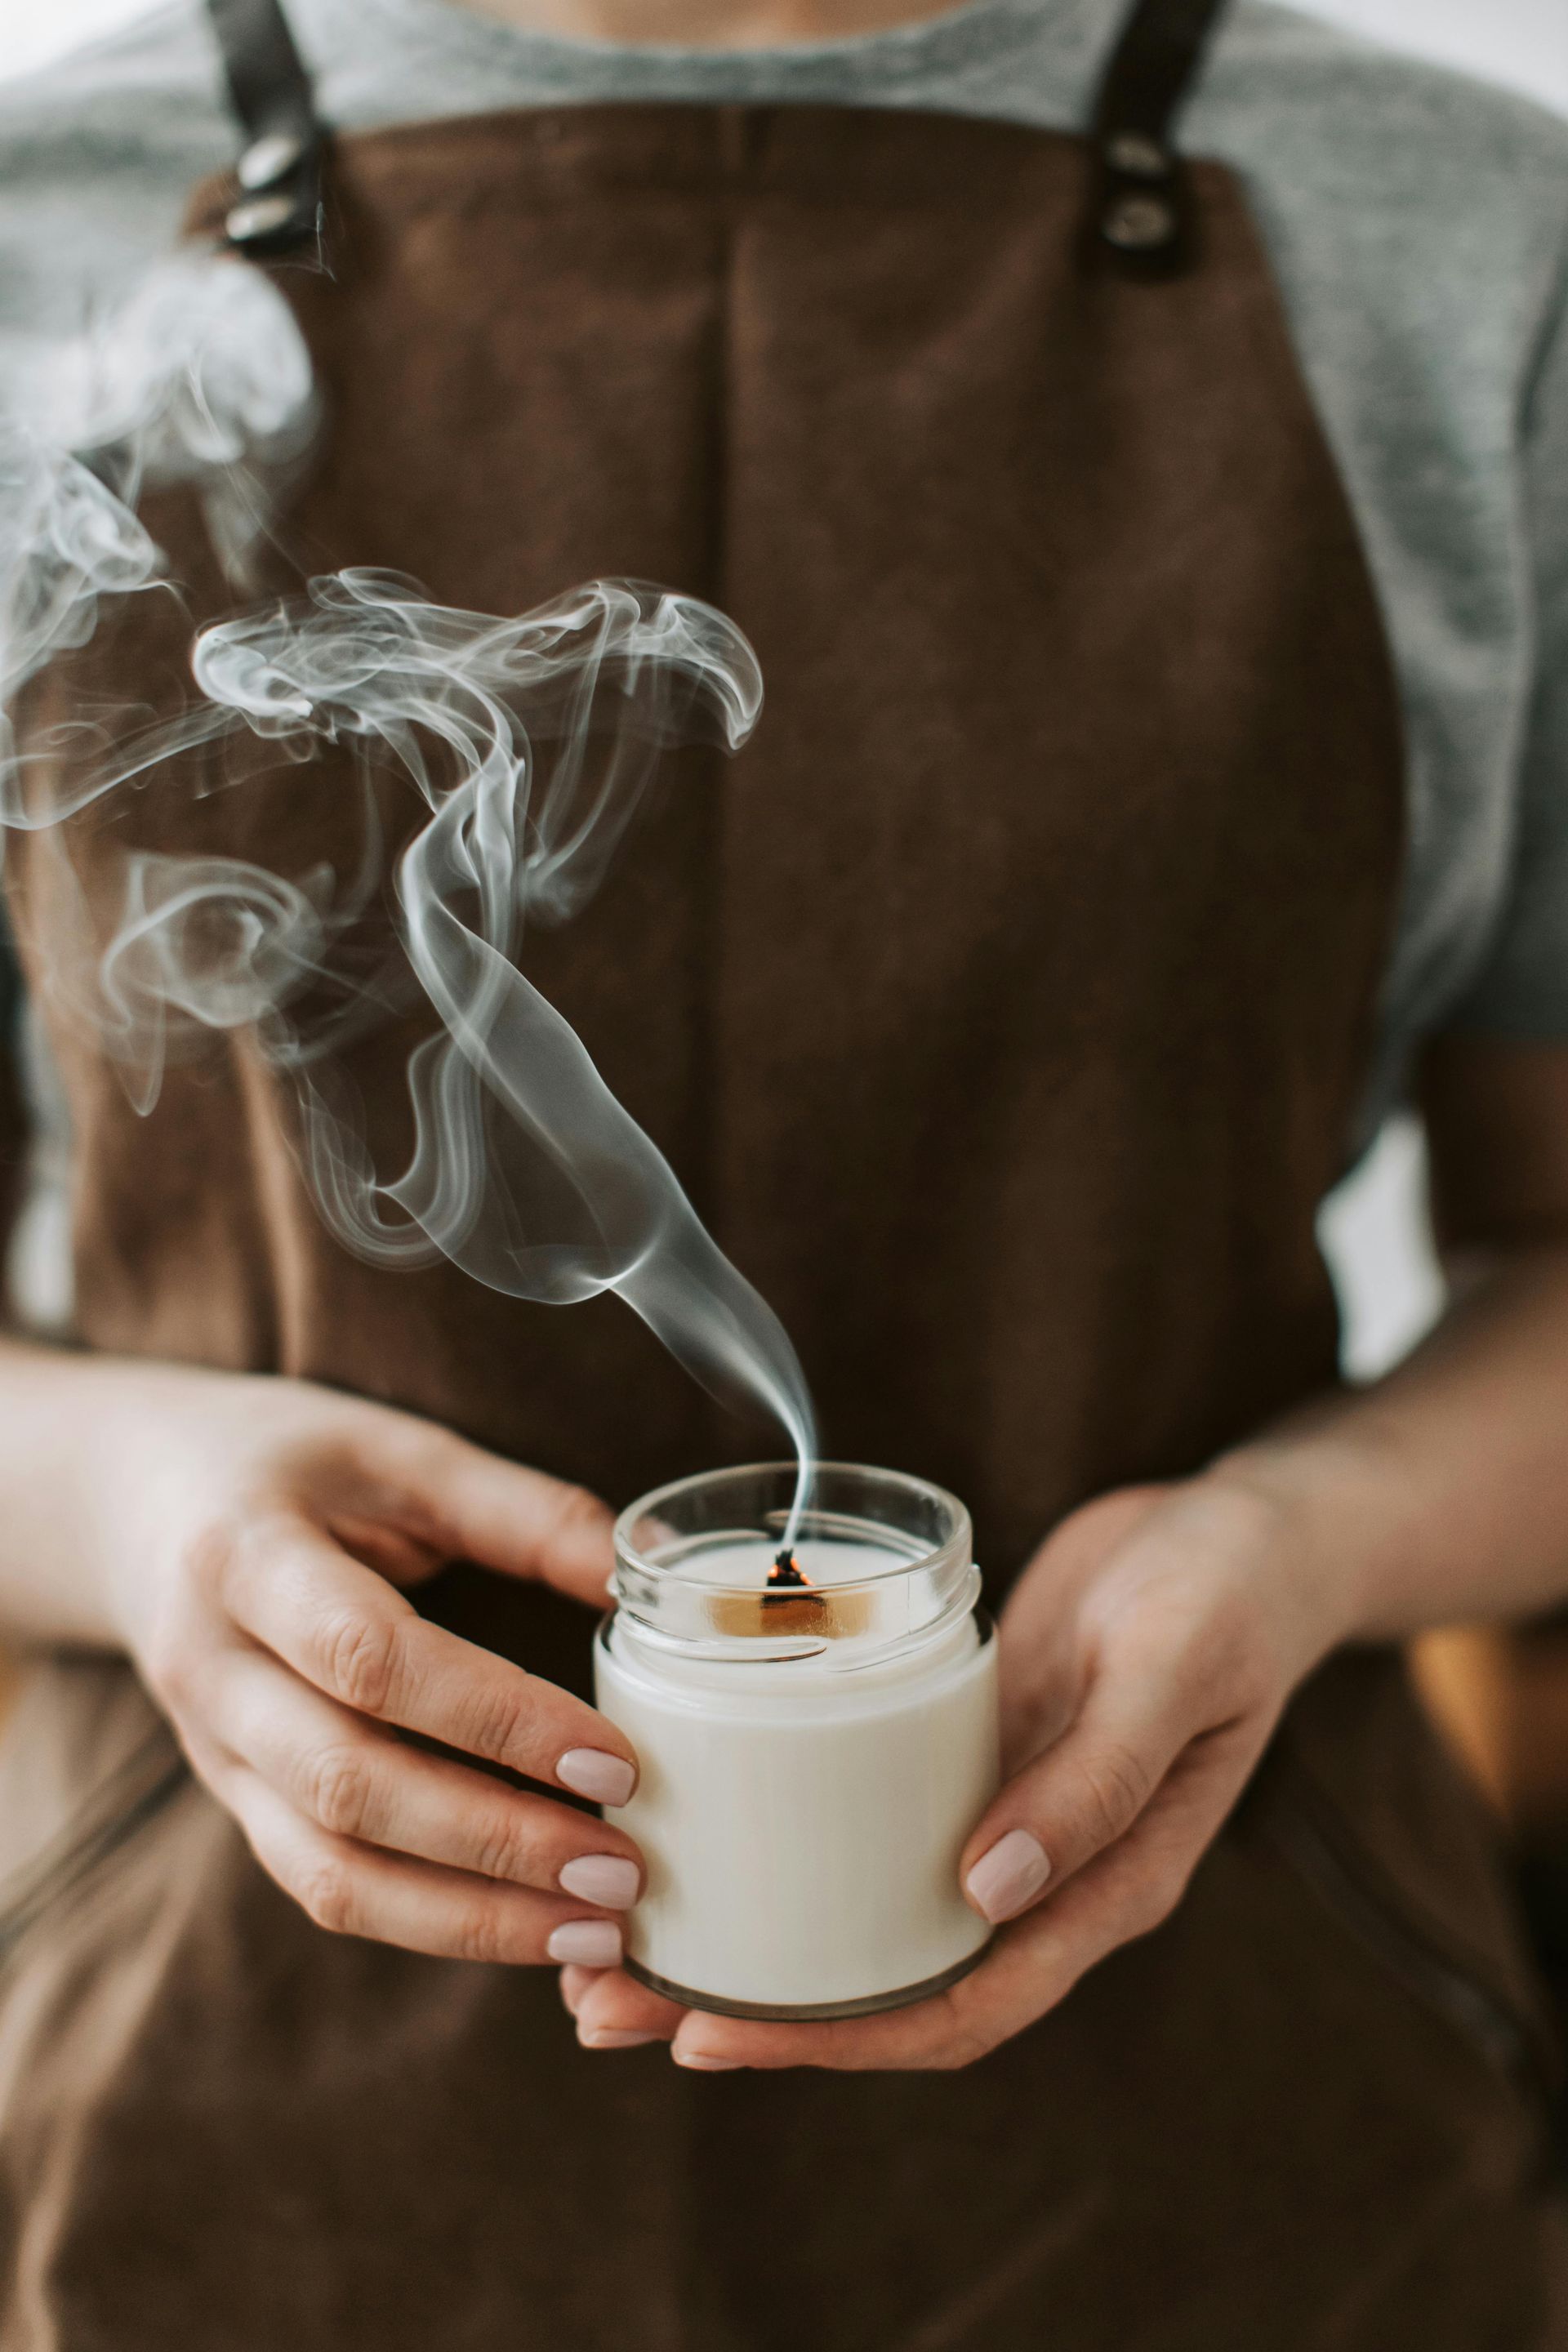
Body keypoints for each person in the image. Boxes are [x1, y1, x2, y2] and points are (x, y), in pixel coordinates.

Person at [1, 0, 1567, 2341]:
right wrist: (127, 1505)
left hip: (1240, 2137)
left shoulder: (1470, 244)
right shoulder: (35, 223)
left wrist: (1308, 1534)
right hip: (229, 2129)